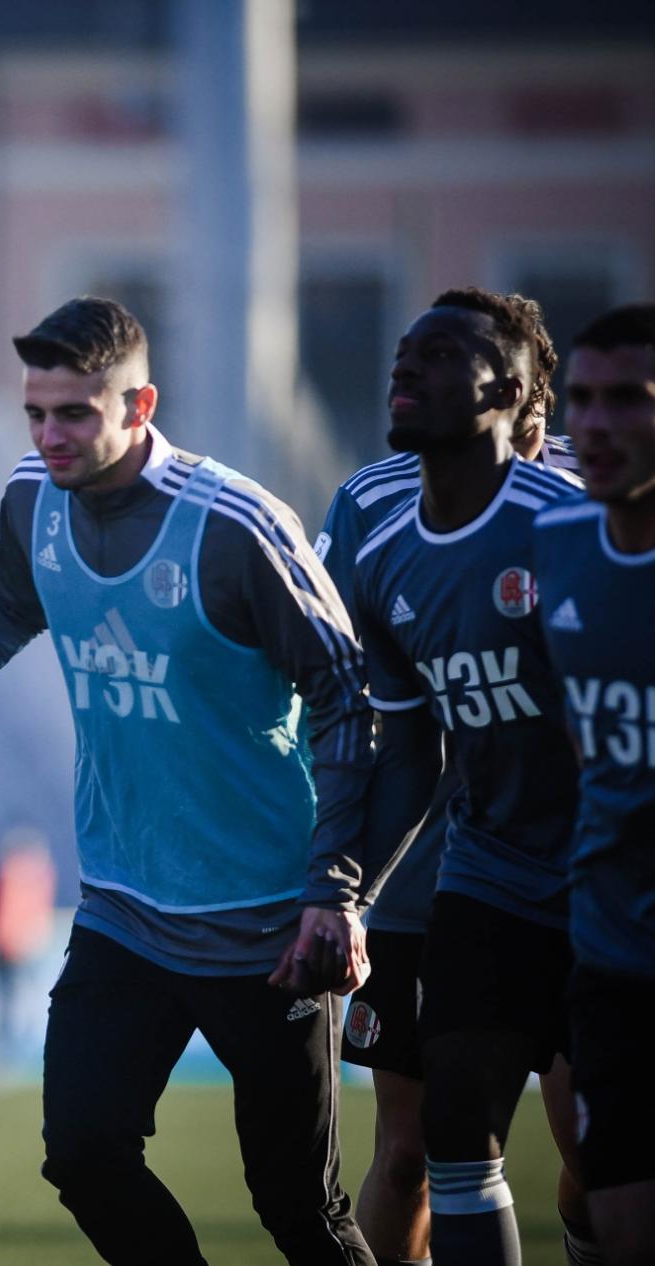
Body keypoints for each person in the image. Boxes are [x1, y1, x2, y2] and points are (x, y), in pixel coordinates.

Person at [0, 296, 376, 1265]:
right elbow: (2, 610)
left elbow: (349, 699)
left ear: (140, 403)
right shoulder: (32, 497)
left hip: (265, 926)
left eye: (74, 412)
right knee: (82, 1154)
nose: (48, 435)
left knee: (296, 1208)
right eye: (35, 411)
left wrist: (335, 890)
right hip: (121, 911)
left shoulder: (234, 526)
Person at [319, 289, 595, 1266]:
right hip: (435, 867)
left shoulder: (579, 513)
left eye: (439, 359)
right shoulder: (369, 509)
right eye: (407, 357)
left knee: (594, 1157)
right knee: (416, 1150)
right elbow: (352, 697)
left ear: (520, 397)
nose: (409, 377)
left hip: (591, 873)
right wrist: (337, 874)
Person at [534, 302, 655, 1266]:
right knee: (616, 1215)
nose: (598, 424)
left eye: (629, 399)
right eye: (582, 399)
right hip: (612, 949)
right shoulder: (561, 538)